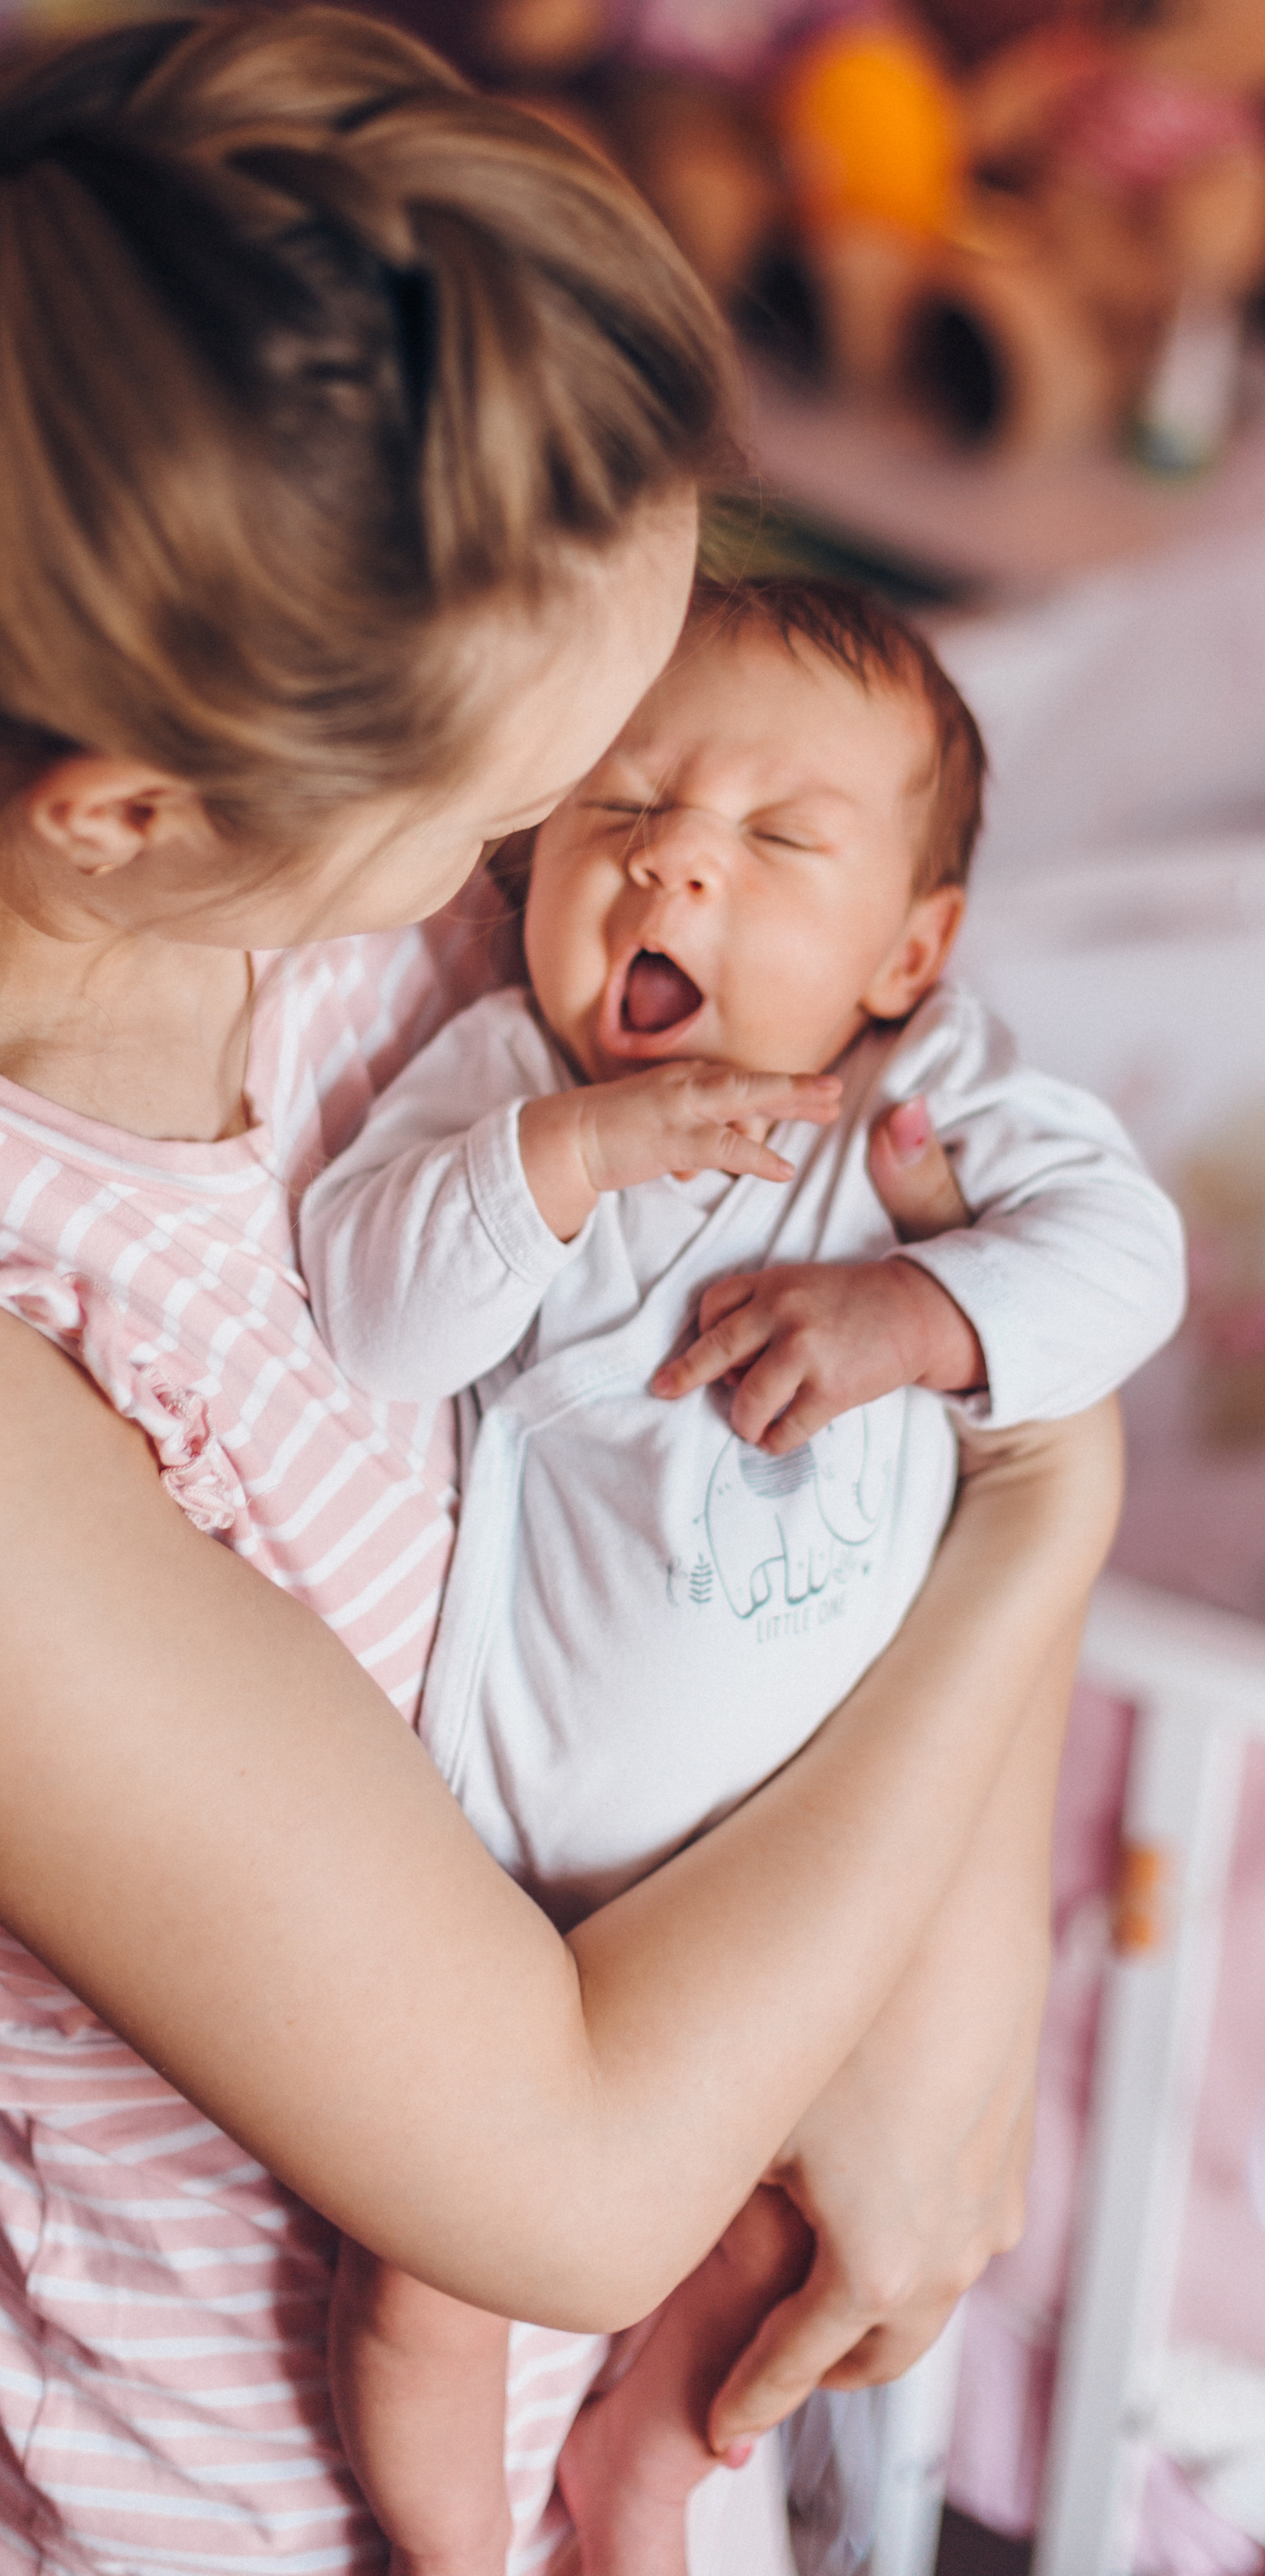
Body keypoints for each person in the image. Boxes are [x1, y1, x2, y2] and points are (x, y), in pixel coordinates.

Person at [0, 13, 1122, 2571]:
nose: (578, 856)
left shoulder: (287, 882)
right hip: (226, 2474)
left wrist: (947, 2005)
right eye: (527, 805)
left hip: (630, 2279)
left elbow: (878, 1200)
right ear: (135, 814)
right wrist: (1052, 1526)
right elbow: (580, 2173)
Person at [300, 574, 1184, 2575]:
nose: (675, 863)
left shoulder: (919, 1115)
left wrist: (927, 1312)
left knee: (787, 2233)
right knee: (430, 2284)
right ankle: (454, 2554)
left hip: (798, 1870)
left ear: (910, 952)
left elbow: (1128, 1260)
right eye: (620, 810)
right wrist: (573, 1164)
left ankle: (645, 2478)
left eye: (780, 841)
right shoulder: (499, 1091)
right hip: (521, 1890)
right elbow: (372, 1315)